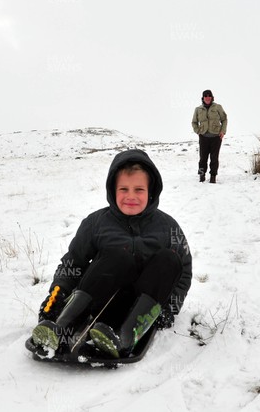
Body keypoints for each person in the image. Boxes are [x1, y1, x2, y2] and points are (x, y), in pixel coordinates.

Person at [31, 149, 192, 358]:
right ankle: (62, 328)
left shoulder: (169, 228)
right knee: (118, 257)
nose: (131, 196)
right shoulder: (96, 223)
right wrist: (56, 296)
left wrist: (169, 309)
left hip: (141, 305)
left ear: (151, 191)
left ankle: (124, 338)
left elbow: (184, 271)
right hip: (99, 299)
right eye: (123, 189)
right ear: (112, 190)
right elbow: (73, 262)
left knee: (170, 260)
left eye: (139, 189)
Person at [191, 89, 228, 183]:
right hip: (203, 137)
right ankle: (201, 175)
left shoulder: (218, 107)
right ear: (203, 98)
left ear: (212, 97)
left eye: (209, 96)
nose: (207, 97)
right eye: (205, 96)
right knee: (203, 158)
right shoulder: (198, 109)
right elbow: (194, 122)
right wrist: (198, 131)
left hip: (216, 137)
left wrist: (222, 131)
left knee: (214, 158)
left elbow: (224, 119)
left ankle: (213, 176)